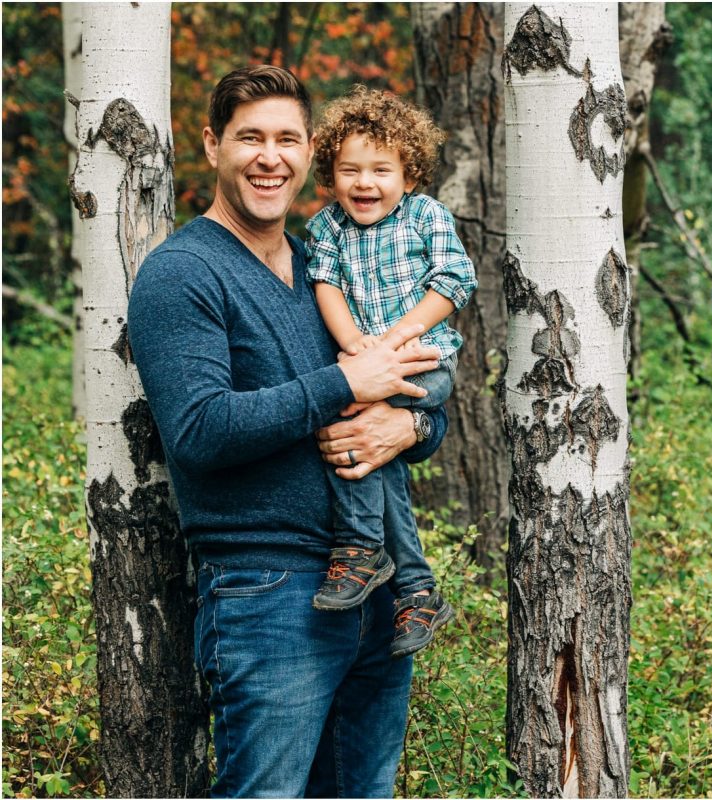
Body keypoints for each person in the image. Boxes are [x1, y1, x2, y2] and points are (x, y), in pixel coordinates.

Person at [127, 65, 446, 798]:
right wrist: (343, 384)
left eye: (287, 139)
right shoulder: (182, 274)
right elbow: (200, 429)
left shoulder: (324, 268)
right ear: (212, 146)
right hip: (269, 594)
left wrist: (409, 426)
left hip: (376, 588)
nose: (270, 157)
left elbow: (413, 395)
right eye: (250, 138)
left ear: (311, 155)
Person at [305, 86, 476, 659]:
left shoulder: (428, 216)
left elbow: (453, 283)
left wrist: (394, 344)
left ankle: (358, 546)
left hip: (424, 363)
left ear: (410, 172)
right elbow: (325, 284)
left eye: (381, 169)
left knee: (357, 425)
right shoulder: (326, 228)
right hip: (365, 361)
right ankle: (416, 589)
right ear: (330, 172)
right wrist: (355, 347)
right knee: (378, 458)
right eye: (348, 169)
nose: (364, 183)